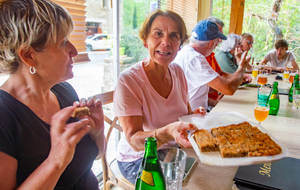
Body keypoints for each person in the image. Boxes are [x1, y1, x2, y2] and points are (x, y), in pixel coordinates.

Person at [0, 0, 106, 189]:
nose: (74, 50)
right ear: (28, 56)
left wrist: (97, 132)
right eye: (64, 42)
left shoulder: (64, 90)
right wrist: (55, 161)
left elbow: (94, 156)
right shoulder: (4, 116)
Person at [113, 10, 203, 184]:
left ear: (180, 44)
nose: (166, 42)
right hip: (139, 159)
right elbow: (134, 140)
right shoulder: (129, 80)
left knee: (211, 173)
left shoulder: (177, 72)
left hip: (172, 150)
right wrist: (169, 131)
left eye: (174, 36)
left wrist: (193, 116)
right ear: (145, 40)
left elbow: (186, 111)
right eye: (158, 34)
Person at [174, 20, 251, 111]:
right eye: (217, 42)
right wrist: (242, 67)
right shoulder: (195, 58)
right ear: (211, 43)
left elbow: (200, 88)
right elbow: (229, 89)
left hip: (196, 112)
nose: (216, 45)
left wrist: (214, 102)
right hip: (193, 117)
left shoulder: (185, 52)